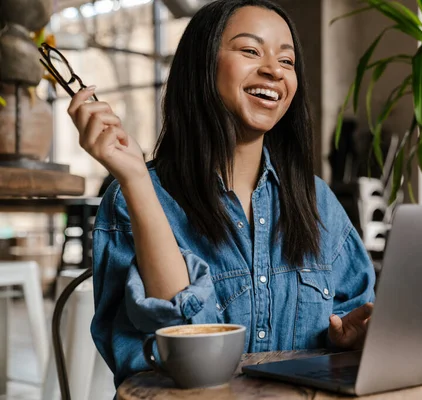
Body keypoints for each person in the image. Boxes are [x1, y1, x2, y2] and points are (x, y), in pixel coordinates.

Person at [66, 0, 375, 388]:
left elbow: (351, 313)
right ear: (202, 66)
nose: (273, 70)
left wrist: (344, 336)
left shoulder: (317, 201)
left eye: (287, 60)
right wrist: (135, 180)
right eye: (250, 50)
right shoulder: (135, 196)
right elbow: (176, 359)